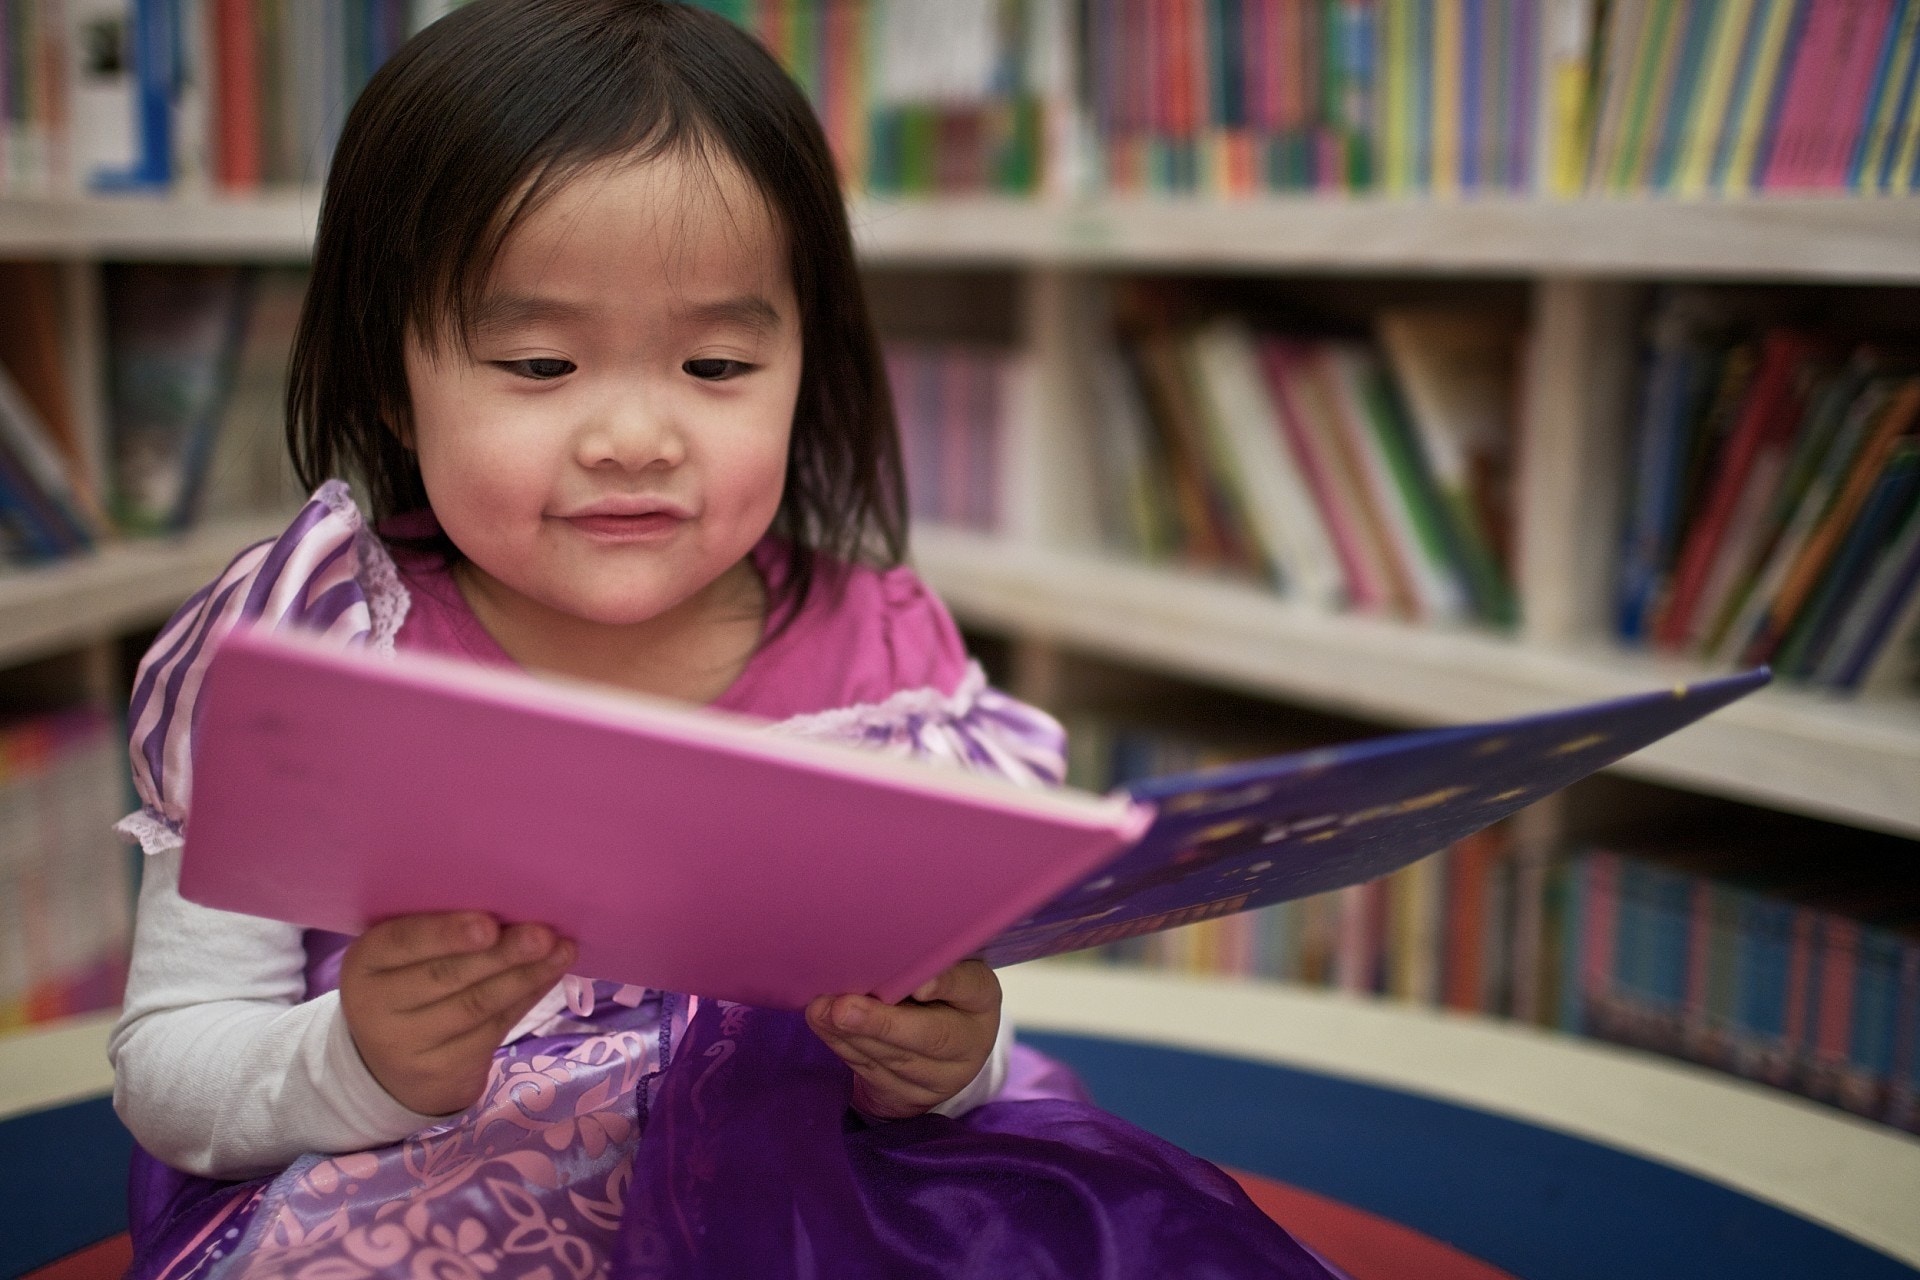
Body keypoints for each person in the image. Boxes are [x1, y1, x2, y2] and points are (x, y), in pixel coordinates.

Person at [110, 3, 1340, 1276]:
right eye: (538, 363)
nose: (636, 436)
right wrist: (354, 1059)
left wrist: (945, 1060)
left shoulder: (885, 657)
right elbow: (169, 1067)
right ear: (388, 375)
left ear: (807, 360)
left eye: (714, 364)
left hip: (815, 1206)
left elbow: (958, 1021)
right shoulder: (318, 648)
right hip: (426, 1210)